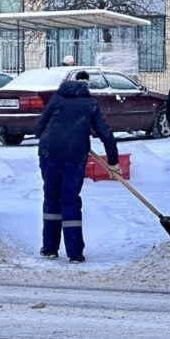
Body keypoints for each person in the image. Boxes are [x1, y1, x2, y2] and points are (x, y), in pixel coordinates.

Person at [35, 70, 118, 262]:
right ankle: (74, 253)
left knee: (51, 198)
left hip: (49, 153)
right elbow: (106, 133)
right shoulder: (89, 104)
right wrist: (113, 162)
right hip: (74, 156)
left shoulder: (57, 99)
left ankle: (49, 249)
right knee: (70, 199)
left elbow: (39, 128)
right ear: (86, 87)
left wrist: (61, 133)